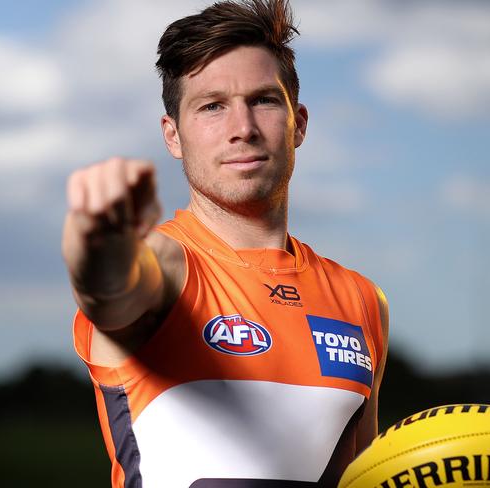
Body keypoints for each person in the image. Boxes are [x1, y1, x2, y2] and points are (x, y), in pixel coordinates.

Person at [62, 0, 389, 486]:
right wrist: (95, 239)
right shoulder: (166, 267)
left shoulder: (361, 301)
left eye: (263, 100)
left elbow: (361, 476)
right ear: (173, 136)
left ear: (298, 122)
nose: (243, 130)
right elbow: (109, 287)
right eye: (212, 106)